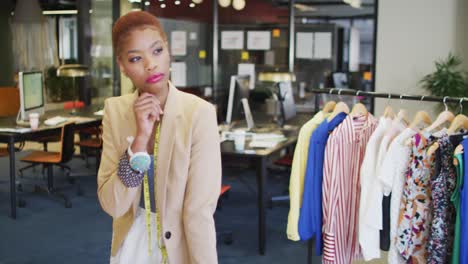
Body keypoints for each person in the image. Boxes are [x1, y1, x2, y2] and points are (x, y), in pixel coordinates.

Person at [97, 11, 222, 264]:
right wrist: (140, 142)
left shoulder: (199, 114)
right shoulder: (115, 111)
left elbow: (198, 212)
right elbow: (113, 205)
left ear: (168, 52)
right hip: (132, 242)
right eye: (135, 58)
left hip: (179, 245)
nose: (150, 64)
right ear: (122, 66)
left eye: (157, 51)